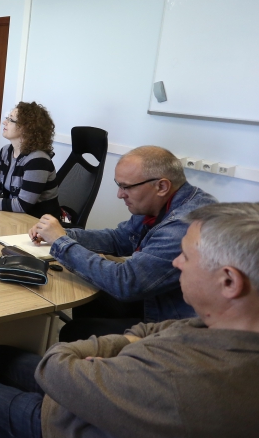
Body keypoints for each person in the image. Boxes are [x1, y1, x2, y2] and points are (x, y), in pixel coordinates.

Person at [0, 202, 259, 438]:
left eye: (186, 256)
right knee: (0, 356)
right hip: (100, 405)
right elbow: (152, 329)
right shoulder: (227, 327)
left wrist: (97, 357)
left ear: (228, 281)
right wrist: (119, 349)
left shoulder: (186, 377)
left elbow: (56, 367)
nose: (175, 262)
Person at [29, 145, 217, 341]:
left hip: (173, 324)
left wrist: (61, 242)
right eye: (119, 185)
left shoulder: (183, 226)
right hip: (154, 299)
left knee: (75, 331)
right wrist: (63, 234)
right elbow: (120, 238)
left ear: (162, 187)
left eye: (126, 187)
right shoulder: (160, 204)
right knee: (88, 289)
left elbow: (125, 282)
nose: (120, 194)